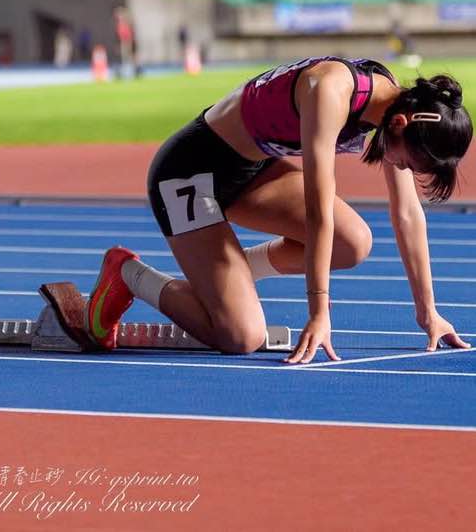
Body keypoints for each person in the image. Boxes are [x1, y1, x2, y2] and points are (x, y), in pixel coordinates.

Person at [84, 56, 473, 363]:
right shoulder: (331, 91)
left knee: (353, 242)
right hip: (189, 172)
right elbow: (317, 208)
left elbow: (407, 212)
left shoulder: (392, 110)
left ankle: (226, 278)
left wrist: (428, 313)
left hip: (251, 171)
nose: (401, 168)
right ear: (401, 124)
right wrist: (319, 312)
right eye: (407, 163)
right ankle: (126, 273)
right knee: (241, 337)